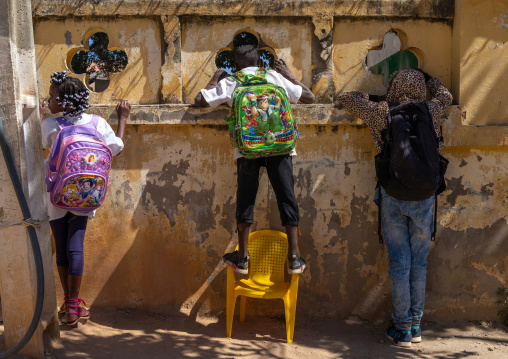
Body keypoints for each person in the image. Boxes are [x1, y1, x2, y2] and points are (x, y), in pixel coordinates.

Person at [336, 68, 452, 347]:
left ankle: (401, 328)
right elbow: (446, 95)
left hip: (393, 195)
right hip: (425, 196)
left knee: (400, 263)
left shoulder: (382, 112)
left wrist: (382, 97)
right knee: (419, 263)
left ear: (395, 86)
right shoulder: (432, 110)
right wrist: (428, 78)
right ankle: (415, 325)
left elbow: (346, 97)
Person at [194, 45, 315, 274]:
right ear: (260, 63)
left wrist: (215, 78)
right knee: (287, 196)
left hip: (247, 148)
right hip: (280, 145)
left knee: (246, 198)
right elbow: (309, 96)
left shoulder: (232, 82)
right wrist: (288, 74)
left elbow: (200, 100)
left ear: (236, 65)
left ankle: (242, 258)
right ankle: (294, 258)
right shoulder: (273, 76)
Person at [39, 71, 131, 326]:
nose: (49, 100)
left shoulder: (50, 125)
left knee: (61, 247)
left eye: (53, 97)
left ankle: (68, 302)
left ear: (66, 101)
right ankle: (73, 305)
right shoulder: (98, 124)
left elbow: (33, 144)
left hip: (56, 194)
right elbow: (116, 149)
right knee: (75, 247)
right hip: (86, 195)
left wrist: (38, 117)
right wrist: (123, 118)